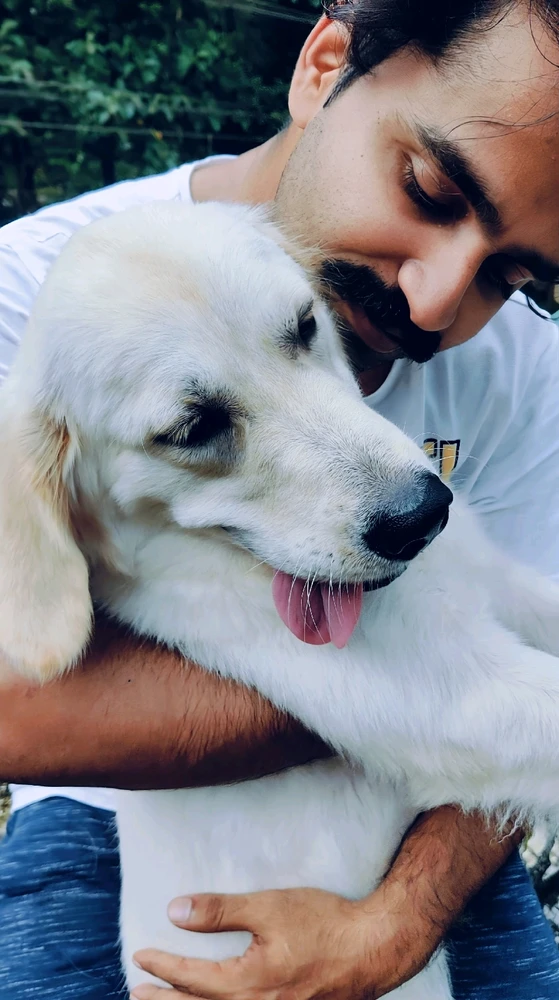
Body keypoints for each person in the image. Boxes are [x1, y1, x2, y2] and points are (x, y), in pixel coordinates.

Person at [1, 2, 559, 998]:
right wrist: (403, 679)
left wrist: (392, 929)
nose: (435, 302)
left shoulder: (521, 367)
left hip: (442, 804)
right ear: (325, 63)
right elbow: (15, 708)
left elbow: (518, 652)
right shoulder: (28, 309)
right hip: (105, 810)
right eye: (427, 189)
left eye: (512, 272)